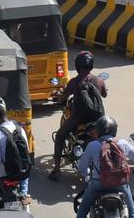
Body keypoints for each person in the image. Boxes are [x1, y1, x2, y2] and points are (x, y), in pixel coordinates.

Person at [50, 50, 108, 179]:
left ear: (77, 65)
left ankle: (57, 168)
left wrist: (58, 95)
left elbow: (63, 98)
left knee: (59, 136)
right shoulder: (99, 80)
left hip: (79, 118)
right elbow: (105, 94)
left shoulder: (74, 82)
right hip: (98, 120)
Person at [75, 116, 134, 218]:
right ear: (115, 130)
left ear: (98, 130)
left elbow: (82, 167)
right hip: (120, 184)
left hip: (97, 184)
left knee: (82, 210)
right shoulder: (122, 143)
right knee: (133, 213)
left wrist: (86, 176)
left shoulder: (93, 145)